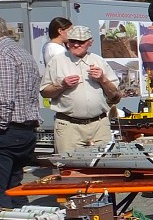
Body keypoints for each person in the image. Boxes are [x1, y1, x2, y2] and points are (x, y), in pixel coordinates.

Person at [39, 25, 121, 155]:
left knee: (103, 166)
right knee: (69, 168)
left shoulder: (99, 61)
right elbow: (44, 92)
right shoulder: (57, 62)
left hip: (99, 126)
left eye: (81, 42)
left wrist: (103, 79)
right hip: (69, 127)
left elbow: (115, 95)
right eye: (72, 41)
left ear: (90, 42)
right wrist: (62, 85)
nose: (76, 45)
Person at [0, 18, 40, 208]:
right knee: (14, 186)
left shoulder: (3, 54)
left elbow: (4, 99)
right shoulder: (20, 51)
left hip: (8, 130)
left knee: (3, 189)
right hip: (24, 130)